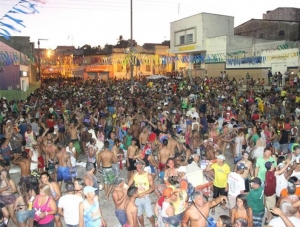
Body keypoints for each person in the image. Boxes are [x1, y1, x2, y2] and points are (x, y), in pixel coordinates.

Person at [127, 160, 155, 227]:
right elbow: (129, 184)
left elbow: (152, 188)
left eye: (140, 165)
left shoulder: (148, 175)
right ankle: (142, 225)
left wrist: (144, 193)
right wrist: (122, 188)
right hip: (137, 198)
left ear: (143, 166)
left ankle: (154, 225)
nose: (138, 167)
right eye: (137, 166)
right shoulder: (134, 175)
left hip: (145, 197)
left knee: (149, 215)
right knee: (139, 214)